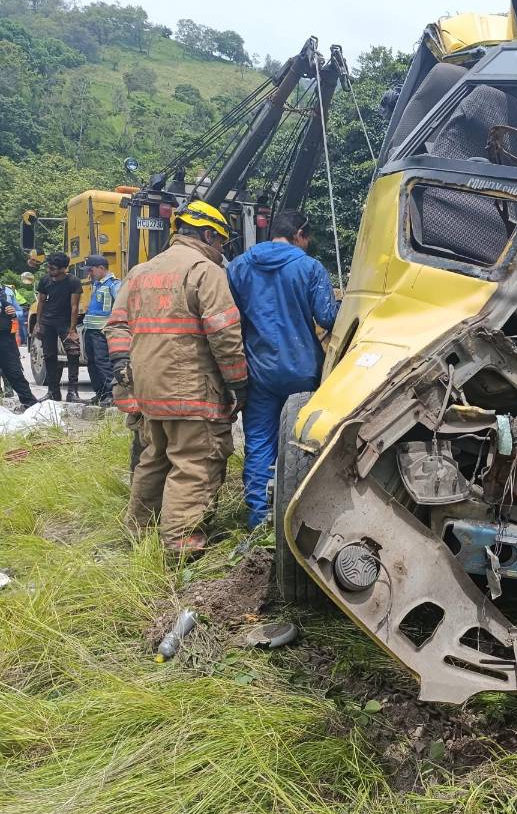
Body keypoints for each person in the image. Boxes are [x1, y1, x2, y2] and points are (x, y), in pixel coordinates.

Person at [105, 200, 248, 557]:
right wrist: (238, 383)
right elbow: (224, 334)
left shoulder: (140, 272)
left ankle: (140, 533)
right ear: (206, 234)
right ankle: (182, 547)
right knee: (195, 463)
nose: (221, 250)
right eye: (220, 241)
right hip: (192, 391)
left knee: (154, 459)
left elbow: (117, 325)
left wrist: (126, 366)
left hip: (148, 392)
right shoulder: (204, 271)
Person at [227, 210, 339, 528]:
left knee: (260, 442)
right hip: (302, 370)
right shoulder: (309, 267)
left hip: (258, 370)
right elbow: (328, 318)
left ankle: (260, 519)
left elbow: (230, 319)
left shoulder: (239, 268)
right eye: (308, 239)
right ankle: (297, 519)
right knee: (301, 443)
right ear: (299, 234)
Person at [34, 252, 83, 402]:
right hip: (48, 322)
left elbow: (74, 306)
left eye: (53, 269)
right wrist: (38, 323)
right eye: (49, 268)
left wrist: (72, 329)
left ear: (63, 269)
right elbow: (41, 302)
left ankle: (72, 392)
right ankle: (53, 392)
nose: (50, 271)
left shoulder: (73, 281)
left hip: (66, 322)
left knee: (73, 354)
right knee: (49, 356)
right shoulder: (45, 280)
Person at [81, 254, 120, 406]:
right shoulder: (98, 285)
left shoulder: (114, 285)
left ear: (101, 268)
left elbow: (120, 306)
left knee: (103, 362)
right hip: (90, 330)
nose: (88, 274)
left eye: (90, 270)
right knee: (92, 363)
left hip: (102, 332)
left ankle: (112, 395)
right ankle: (101, 393)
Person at [1, 283, 36, 409]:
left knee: (14, 371)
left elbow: (20, 312)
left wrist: (14, 312)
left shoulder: (8, 291)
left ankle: (30, 403)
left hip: (6, 337)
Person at [15, 272, 35, 345]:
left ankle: (26, 341)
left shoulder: (8, 290)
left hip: (21, 307)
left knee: (23, 325)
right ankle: (24, 341)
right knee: (22, 325)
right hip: (22, 307)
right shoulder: (10, 289)